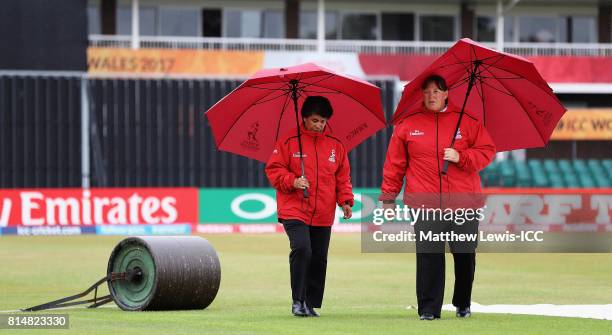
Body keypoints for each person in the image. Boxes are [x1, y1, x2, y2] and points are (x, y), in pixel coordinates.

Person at [379, 75, 496, 320]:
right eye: (427, 91)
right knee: (429, 256)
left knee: (465, 255)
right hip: (424, 203)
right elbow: (394, 165)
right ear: (422, 94)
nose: (431, 95)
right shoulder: (407, 125)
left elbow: (487, 152)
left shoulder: (468, 122)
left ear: (446, 94)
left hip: (465, 202)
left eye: (437, 91)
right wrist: (388, 198)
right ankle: (429, 310)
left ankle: (462, 302)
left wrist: (461, 157)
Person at [265, 95, 354, 317]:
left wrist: (345, 200)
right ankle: (298, 300)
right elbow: (273, 170)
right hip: (294, 209)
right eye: (315, 120)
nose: (319, 125)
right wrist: (293, 181)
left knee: (319, 258)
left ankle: (311, 303)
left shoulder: (336, 145)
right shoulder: (288, 142)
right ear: (304, 118)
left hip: (323, 212)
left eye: (323, 121)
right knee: (303, 249)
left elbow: (342, 177)